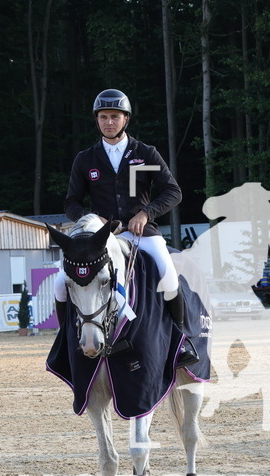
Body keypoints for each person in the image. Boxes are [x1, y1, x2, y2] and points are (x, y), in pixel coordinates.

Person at [61, 88, 197, 366]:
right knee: (59, 284)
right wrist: (91, 220)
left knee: (168, 273)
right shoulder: (85, 159)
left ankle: (180, 340)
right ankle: (65, 343)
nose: (108, 122)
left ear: (126, 119)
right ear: (97, 120)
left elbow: (173, 192)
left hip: (141, 234)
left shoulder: (145, 154)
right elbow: (71, 202)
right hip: (100, 239)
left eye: (114, 116)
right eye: (103, 117)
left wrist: (146, 213)